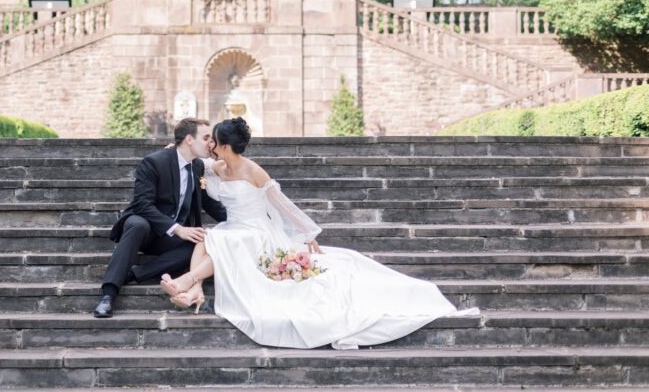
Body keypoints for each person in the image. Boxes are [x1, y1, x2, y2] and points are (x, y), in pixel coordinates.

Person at [159, 116, 478, 349]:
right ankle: (194, 291)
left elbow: (282, 205)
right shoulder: (216, 168)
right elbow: (193, 167)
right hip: (235, 227)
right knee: (212, 235)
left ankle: (187, 281)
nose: (210, 144)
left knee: (228, 239)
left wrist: (308, 233)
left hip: (258, 232)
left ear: (225, 145)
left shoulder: (252, 170)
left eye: (213, 139)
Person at [93, 117, 227, 318]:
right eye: (206, 137)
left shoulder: (197, 166)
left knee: (201, 243)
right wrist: (177, 228)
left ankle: (132, 275)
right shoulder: (154, 162)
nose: (210, 143)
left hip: (170, 238)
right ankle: (108, 295)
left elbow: (207, 202)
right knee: (137, 224)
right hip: (145, 228)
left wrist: (238, 220)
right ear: (189, 139)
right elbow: (142, 204)